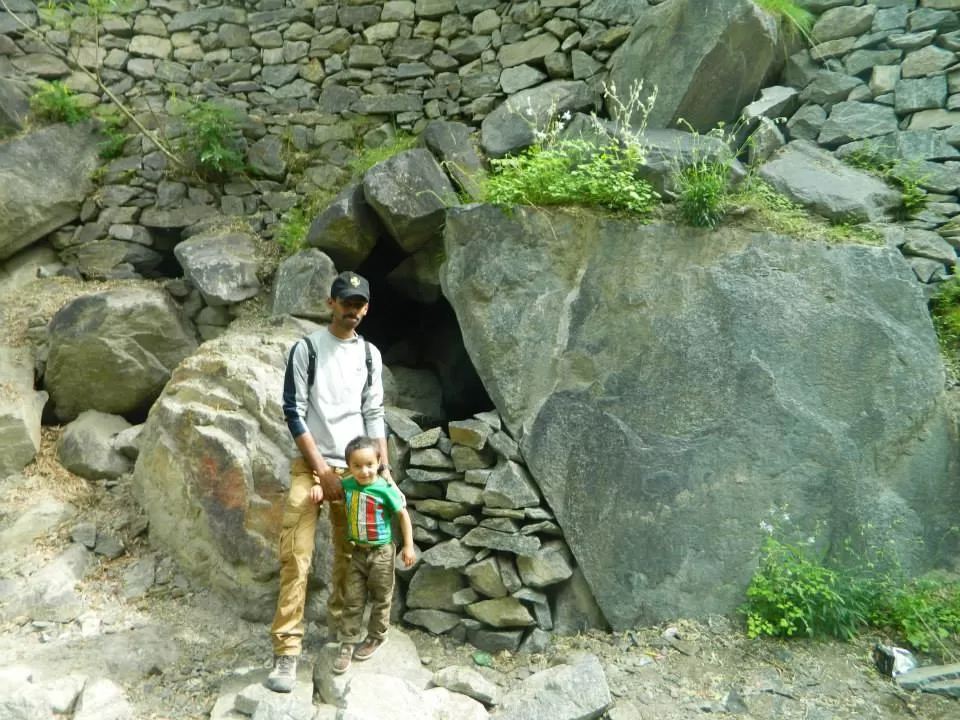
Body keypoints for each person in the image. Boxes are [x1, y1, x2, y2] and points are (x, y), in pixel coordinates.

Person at [267, 271, 392, 694]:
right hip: (312, 466)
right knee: (296, 555)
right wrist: (321, 469)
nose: (351, 310)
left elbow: (374, 413)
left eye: (359, 304)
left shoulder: (371, 356)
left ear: (367, 308)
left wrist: (384, 471)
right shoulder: (307, 349)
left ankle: (343, 636)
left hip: (357, 470)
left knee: (349, 558)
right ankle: (286, 652)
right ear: (330, 303)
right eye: (345, 302)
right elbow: (294, 410)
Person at [327, 435, 415, 674]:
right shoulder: (348, 485)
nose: (364, 471)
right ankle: (348, 641)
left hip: (382, 553)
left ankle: (376, 636)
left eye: (369, 464)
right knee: (353, 597)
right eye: (357, 466)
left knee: (381, 596)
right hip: (357, 551)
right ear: (349, 467)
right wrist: (317, 487)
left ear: (379, 462)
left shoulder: (385, 489)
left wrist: (408, 546)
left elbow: (403, 516)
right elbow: (331, 487)